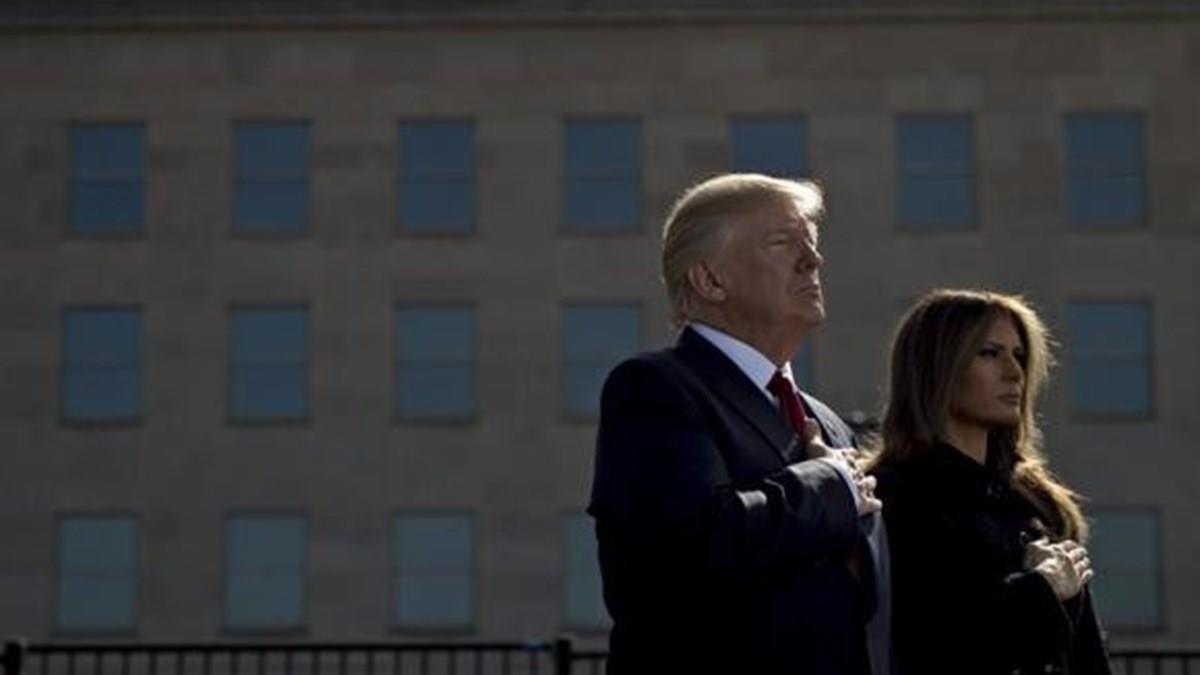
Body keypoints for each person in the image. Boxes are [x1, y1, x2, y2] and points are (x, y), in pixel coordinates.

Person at [588, 173, 887, 675]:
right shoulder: (653, 388)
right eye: (782, 243)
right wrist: (829, 484)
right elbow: (687, 551)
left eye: (812, 243)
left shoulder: (828, 423)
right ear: (710, 280)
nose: (813, 260)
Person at [868, 289, 1111, 675]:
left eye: (1019, 355)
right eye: (989, 353)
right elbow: (934, 641)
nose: (1014, 372)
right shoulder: (891, 497)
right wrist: (1042, 588)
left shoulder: (1036, 501)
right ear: (938, 367)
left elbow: (1087, 655)